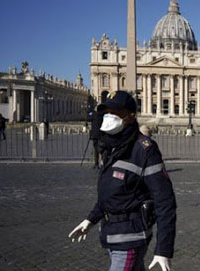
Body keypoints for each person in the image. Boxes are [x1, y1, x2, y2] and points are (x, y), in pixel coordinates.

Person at [68, 91, 177, 271]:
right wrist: (90, 219)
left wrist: (163, 250)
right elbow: (111, 194)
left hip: (130, 238)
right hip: (112, 234)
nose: (109, 117)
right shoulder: (111, 147)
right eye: (107, 112)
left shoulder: (144, 150)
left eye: (115, 113)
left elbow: (165, 202)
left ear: (130, 117)